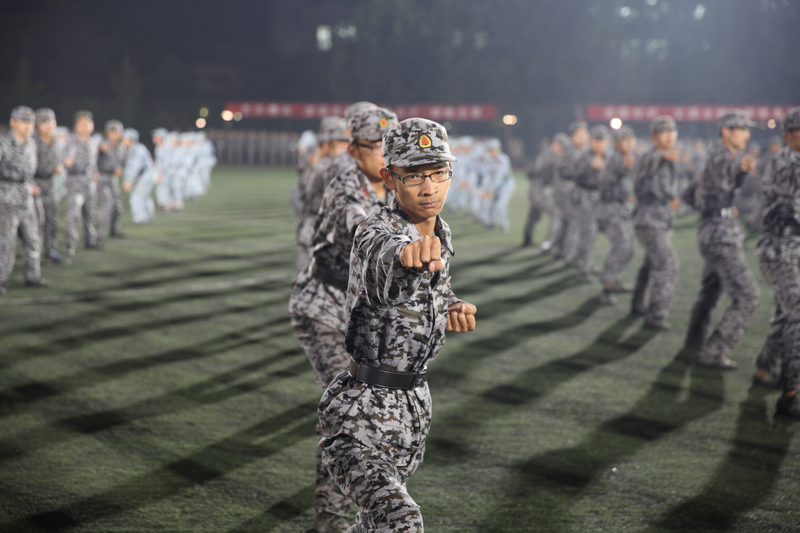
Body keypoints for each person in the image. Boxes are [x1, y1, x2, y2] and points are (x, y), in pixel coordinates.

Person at [319, 118, 476, 533]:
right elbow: (382, 270)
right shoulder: (376, 230)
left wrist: (451, 304)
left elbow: (437, 287)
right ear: (389, 178)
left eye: (438, 173)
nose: (429, 188)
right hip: (360, 415)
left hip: (411, 411)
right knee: (402, 520)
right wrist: (407, 259)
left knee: (374, 526)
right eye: (414, 176)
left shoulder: (440, 231)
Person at [289, 105, 398, 533]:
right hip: (323, 305)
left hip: (360, 312)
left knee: (377, 415)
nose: (386, 156)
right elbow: (365, 229)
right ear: (354, 150)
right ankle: (330, 521)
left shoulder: (395, 183)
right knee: (346, 413)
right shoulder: (344, 182)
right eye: (376, 148)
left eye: (391, 148)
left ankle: (364, 514)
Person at [685, 110, 760, 369]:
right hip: (720, 235)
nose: (747, 135)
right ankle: (713, 351)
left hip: (714, 230)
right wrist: (737, 170)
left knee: (710, 291)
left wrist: (724, 202)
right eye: (743, 130)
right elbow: (720, 177)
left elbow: (692, 194)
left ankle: (694, 340)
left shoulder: (720, 156)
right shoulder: (722, 156)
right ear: (726, 131)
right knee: (748, 296)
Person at [750, 108, 800, 417]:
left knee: (786, 314)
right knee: (798, 312)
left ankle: (763, 370)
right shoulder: (784, 163)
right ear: (788, 136)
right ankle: (790, 393)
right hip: (778, 250)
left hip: (794, 249)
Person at [630, 116, 682, 330]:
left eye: (672, 132)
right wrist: (662, 157)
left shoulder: (669, 160)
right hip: (648, 220)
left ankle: (637, 303)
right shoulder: (650, 158)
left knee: (651, 263)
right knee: (667, 264)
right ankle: (655, 314)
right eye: (664, 132)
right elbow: (648, 163)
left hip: (661, 219)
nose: (669, 136)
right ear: (653, 137)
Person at [0, 106, 48, 294]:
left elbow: (28, 172)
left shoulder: (31, 143)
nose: (27, 125)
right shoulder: (3, 143)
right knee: (5, 242)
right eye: (23, 121)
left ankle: (33, 275)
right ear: (13, 122)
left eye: (30, 122)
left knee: (33, 238)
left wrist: (30, 185)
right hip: (6, 198)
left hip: (26, 197)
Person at [596, 126, 637, 304]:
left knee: (629, 249)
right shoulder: (615, 160)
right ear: (616, 144)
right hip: (610, 211)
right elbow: (605, 187)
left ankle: (614, 279)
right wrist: (624, 195)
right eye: (623, 140)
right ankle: (607, 288)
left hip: (620, 210)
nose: (628, 143)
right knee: (622, 247)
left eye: (630, 140)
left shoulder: (625, 159)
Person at [567, 125, 610, 281]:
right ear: (590, 141)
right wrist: (590, 168)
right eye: (596, 141)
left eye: (602, 141)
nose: (599, 144)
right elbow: (573, 174)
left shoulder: (609, 156)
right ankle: (583, 268)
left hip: (600, 198)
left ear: (607, 142)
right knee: (588, 232)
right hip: (584, 196)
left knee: (592, 233)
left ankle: (584, 262)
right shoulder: (583, 156)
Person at [62, 110, 99, 256]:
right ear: (76, 126)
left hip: (89, 182)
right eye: (81, 124)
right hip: (75, 181)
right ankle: (70, 243)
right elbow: (67, 157)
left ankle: (90, 240)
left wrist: (95, 172)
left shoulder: (92, 142)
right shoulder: (71, 141)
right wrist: (67, 161)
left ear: (92, 125)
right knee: (74, 213)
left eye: (87, 123)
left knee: (90, 212)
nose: (85, 127)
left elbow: (93, 162)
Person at [33, 108, 66, 265]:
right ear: (37, 125)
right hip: (35, 185)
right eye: (43, 123)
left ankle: (51, 252)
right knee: (36, 222)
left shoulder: (56, 140)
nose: (47, 126)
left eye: (50, 123)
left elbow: (58, 159)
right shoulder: (31, 141)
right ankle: (34, 254)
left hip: (50, 184)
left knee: (51, 219)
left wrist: (58, 167)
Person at [553, 120, 589, 261]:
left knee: (566, 222)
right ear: (572, 137)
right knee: (575, 223)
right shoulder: (571, 152)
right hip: (566, 193)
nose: (582, 138)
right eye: (579, 135)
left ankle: (558, 248)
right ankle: (570, 256)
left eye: (584, 134)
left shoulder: (582, 151)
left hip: (572, 192)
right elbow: (566, 172)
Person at [523, 135, 564, 248]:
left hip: (534, 188)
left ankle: (527, 239)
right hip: (541, 189)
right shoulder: (552, 156)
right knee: (556, 213)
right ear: (555, 144)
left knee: (534, 214)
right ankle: (548, 242)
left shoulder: (543, 153)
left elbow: (528, 172)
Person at [95, 119, 126, 245]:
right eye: (112, 132)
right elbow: (93, 158)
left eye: (117, 132)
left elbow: (121, 162)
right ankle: (100, 232)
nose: (114, 134)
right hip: (102, 177)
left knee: (117, 205)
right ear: (107, 132)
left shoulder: (121, 147)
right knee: (107, 203)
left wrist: (119, 169)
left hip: (113, 178)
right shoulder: (102, 144)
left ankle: (114, 229)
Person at [122, 128, 160, 224]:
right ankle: (149, 217)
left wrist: (129, 181)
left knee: (136, 197)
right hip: (147, 175)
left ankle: (140, 218)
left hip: (146, 175)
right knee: (146, 197)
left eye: (125, 139)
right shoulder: (133, 149)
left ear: (131, 139)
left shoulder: (137, 150)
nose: (123, 141)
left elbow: (135, 167)